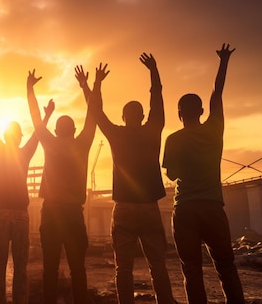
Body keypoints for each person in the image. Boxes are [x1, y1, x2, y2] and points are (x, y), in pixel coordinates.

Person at [78, 55, 177, 304]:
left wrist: (93, 85)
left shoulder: (116, 135)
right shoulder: (153, 129)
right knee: (158, 267)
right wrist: (154, 70)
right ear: (142, 116)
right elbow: (157, 97)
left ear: (123, 117)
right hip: (149, 208)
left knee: (123, 269)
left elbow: (96, 111)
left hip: (123, 209)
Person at [163, 43, 245, 304]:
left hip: (185, 208)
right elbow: (216, 94)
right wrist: (223, 62)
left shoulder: (173, 139)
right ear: (201, 112)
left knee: (192, 271)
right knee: (226, 266)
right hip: (213, 207)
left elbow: (172, 175)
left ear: (179, 114)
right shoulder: (214, 130)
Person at [27, 68, 97, 304]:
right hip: (73, 214)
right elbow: (93, 114)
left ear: (56, 131)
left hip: (51, 212)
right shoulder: (83, 144)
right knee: (78, 269)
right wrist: (88, 86)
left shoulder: (50, 143)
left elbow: (36, 118)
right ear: (74, 131)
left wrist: (30, 88)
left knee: (50, 269)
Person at [0, 96, 55, 304]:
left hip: (1, 214)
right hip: (20, 215)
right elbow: (37, 136)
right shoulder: (24, 153)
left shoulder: (0, 150)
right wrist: (47, 114)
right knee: (20, 267)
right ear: (18, 137)